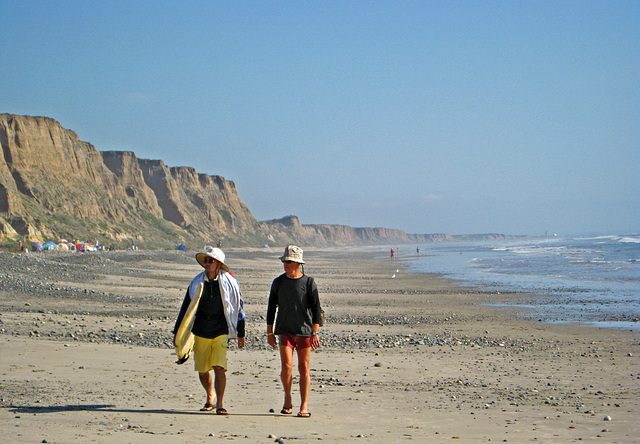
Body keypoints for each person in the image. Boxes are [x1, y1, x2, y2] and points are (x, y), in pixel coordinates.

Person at [173, 246, 245, 414]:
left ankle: (220, 404)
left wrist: (240, 333)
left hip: (220, 330)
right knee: (203, 370)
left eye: (210, 260)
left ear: (218, 264)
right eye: (205, 260)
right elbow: (186, 308)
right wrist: (177, 333)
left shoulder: (230, 284)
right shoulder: (196, 283)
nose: (206, 263)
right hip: (201, 330)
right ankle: (209, 395)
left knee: (219, 367)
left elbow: (239, 308)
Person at [267, 245, 322, 418]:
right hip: (285, 331)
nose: (285, 264)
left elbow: (316, 308)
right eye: (284, 261)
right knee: (286, 367)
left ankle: (304, 405)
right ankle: (287, 398)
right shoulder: (278, 282)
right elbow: (271, 309)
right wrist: (270, 333)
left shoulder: (308, 282)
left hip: (304, 332)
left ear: (298, 263)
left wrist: (315, 332)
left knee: (304, 368)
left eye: (289, 261)